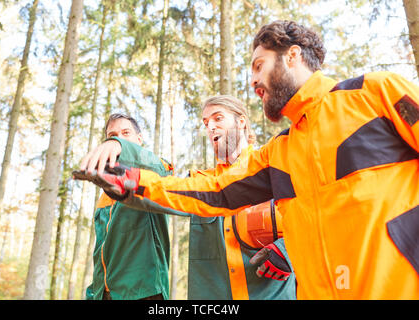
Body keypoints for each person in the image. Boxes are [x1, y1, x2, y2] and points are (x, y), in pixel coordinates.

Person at [78, 20, 419, 299]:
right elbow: (214, 191)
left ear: (292, 56)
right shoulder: (280, 154)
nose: (254, 80)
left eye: (259, 66)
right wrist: (135, 182)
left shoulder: (374, 94)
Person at [84, 113, 173, 300]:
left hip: (144, 293)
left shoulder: (155, 169)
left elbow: (161, 170)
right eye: (112, 135)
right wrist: (95, 292)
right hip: (105, 294)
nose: (118, 138)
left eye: (126, 133)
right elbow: (101, 250)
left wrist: (120, 145)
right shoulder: (104, 195)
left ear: (138, 140)